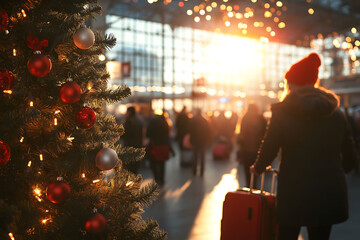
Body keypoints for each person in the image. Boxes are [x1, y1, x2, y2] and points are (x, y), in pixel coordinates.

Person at [250, 53, 358, 240]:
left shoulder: (283, 113)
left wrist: (258, 167)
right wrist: (336, 170)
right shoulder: (336, 113)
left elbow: (270, 147)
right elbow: (351, 158)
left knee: (287, 235)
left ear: (292, 84)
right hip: (329, 192)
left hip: (293, 191)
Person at [237, 103, 266, 187]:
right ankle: (253, 189)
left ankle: (249, 189)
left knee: (247, 172)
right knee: (255, 173)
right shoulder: (261, 119)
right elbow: (266, 135)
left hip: (246, 150)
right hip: (257, 150)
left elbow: (241, 135)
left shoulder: (244, 118)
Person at [146, 112, 174, 186]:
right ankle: (161, 178)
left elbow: (148, 134)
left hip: (154, 146)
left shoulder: (153, 122)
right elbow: (168, 136)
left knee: (153, 162)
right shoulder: (165, 123)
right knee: (162, 163)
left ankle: (156, 177)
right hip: (163, 146)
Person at [122, 106, 143, 174]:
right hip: (137, 146)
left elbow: (126, 134)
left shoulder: (129, 121)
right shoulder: (139, 120)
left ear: (129, 112)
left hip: (129, 146)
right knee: (135, 167)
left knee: (129, 167)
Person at [189, 109, 211, 176]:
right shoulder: (205, 120)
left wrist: (191, 139)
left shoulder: (193, 120)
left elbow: (190, 130)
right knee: (202, 157)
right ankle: (202, 171)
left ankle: (194, 171)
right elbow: (208, 131)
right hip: (203, 141)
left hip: (195, 141)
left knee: (195, 156)